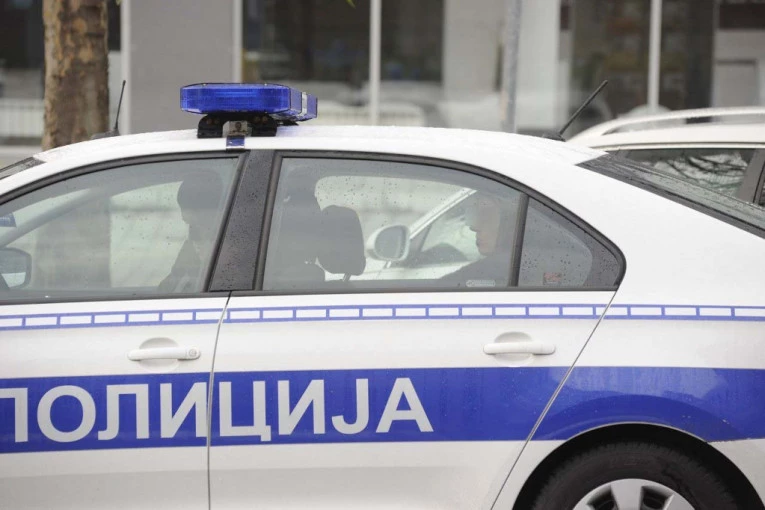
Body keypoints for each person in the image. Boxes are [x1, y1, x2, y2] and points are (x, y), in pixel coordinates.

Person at [158, 171, 223, 293]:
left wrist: (203, 264)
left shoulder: (233, 256)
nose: (183, 218)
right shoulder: (191, 249)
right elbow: (167, 288)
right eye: (183, 209)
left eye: (192, 211)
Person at [442, 192, 516, 288]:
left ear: (510, 221)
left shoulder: (503, 267)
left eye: (486, 216)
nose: (474, 227)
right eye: (475, 214)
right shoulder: (517, 264)